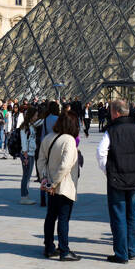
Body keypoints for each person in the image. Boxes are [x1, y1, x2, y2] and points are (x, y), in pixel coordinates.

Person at [96, 98, 135, 264]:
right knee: (132, 214)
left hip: (117, 179)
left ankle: (121, 254)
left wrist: (107, 171)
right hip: (134, 179)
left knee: (118, 215)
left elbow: (100, 152)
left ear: (115, 112)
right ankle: (133, 250)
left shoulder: (112, 130)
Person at [40, 112, 81, 261]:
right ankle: (64, 250)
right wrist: (54, 183)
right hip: (63, 186)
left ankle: (49, 247)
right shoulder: (69, 140)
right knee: (63, 218)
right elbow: (65, 166)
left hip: (51, 185)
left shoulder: (48, 137)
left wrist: (45, 180)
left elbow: (41, 160)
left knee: (51, 216)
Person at [17, 108, 38, 204]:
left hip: (31, 153)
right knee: (26, 176)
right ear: (31, 115)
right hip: (27, 154)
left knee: (27, 176)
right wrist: (25, 156)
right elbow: (24, 142)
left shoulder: (31, 126)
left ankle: (25, 195)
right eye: (36, 115)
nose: (37, 117)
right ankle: (24, 197)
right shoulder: (25, 127)